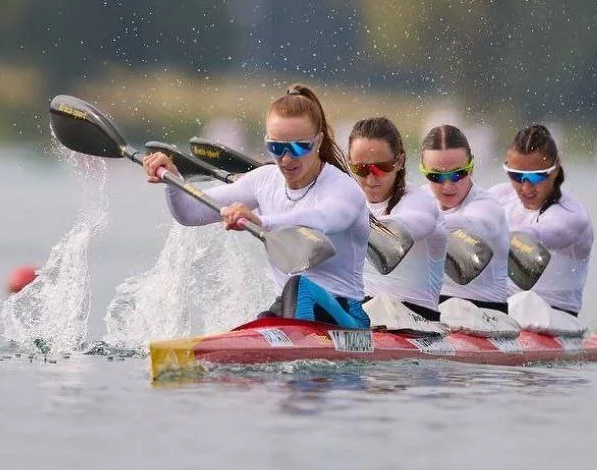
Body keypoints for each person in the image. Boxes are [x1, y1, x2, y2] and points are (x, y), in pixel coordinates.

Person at [142, 84, 370, 328]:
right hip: (287, 307)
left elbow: (323, 220)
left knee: (298, 284)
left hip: (345, 317)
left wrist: (262, 221)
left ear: (318, 141)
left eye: (298, 147)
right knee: (274, 309)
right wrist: (174, 182)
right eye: (276, 147)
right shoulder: (263, 179)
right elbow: (190, 213)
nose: (286, 158)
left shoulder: (343, 189)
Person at [488, 124, 593, 329]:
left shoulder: (572, 216)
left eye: (536, 177)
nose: (526, 187)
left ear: (554, 171)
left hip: (556, 320)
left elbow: (536, 234)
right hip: (503, 312)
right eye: (516, 176)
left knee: (524, 303)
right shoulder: (499, 196)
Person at [348, 117, 446, 323]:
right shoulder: (346, 202)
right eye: (361, 169)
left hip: (416, 319)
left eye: (381, 167)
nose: (371, 179)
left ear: (399, 162)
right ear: (350, 163)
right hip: (363, 310)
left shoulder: (419, 202)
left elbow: (404, 229)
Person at [420, 124, 510, 312]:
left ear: (471, 167)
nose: (447, 185)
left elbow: (474, 225)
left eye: (457, 174)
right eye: (436, 176)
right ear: (423, 170)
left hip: (485, 313)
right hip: (434, 310)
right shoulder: (418, 200)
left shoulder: (487, 207)